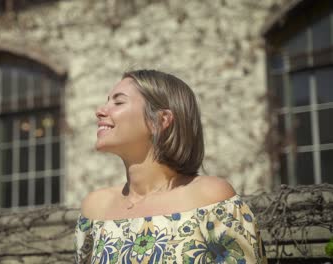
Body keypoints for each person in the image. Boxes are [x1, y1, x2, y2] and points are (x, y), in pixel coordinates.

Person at [75, 69, 267, 263]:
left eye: (118, 102)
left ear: (160, 121)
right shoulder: (95, 209)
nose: (100, 111)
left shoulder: (210, 199)